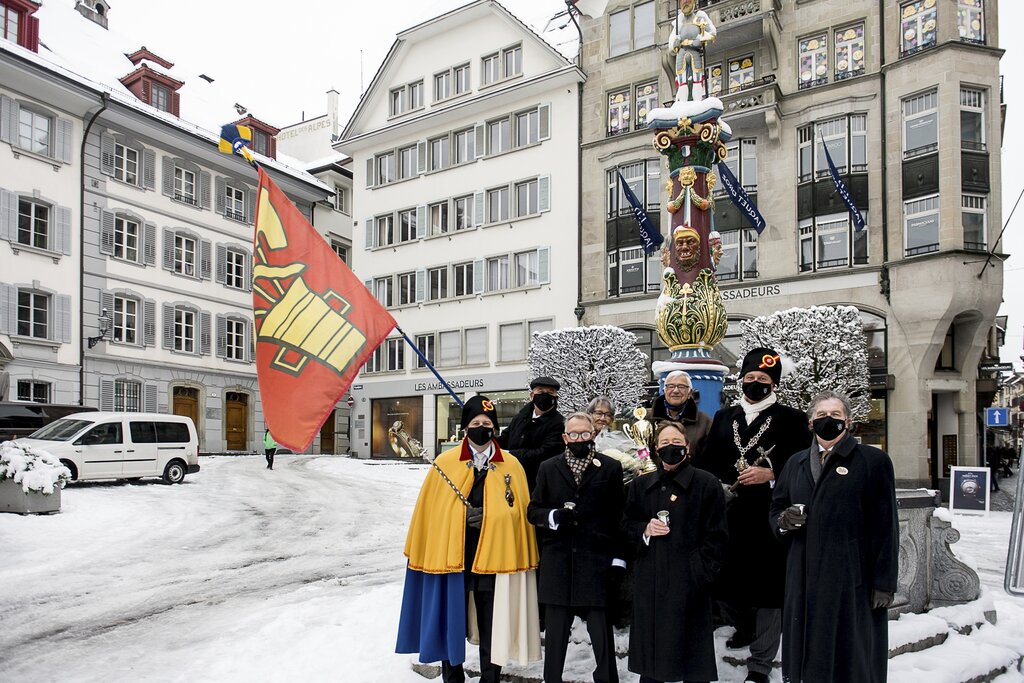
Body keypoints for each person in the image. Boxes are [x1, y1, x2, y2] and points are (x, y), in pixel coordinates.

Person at [396, 395, 541, 683]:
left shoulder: (511, 465)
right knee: (451, 621)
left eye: (487, 423)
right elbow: (432, 514)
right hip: (454, 558)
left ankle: (491, 677)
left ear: (495, 429)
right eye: (475, 423)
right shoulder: (445, 463)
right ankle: (453, 678)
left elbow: (520, 515)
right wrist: (457, 519)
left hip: (495, 560)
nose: (481, 428)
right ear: (465, 429)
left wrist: (491, 516)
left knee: (492, 624)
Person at [693, 347, 812, 683]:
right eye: (750, 379)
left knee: (768, 589)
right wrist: (710, 483)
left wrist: (770, 473)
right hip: (729, 515)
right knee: (726, 582)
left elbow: (801, 461)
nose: (755, 384)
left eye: (762, 379)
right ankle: (744, 628)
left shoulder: (790, 419)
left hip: (768, 518)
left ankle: (760, 664)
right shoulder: (723, 417)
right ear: (740, 381)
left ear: (773, 384)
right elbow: (708, 460)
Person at [770, 390, 898, 683]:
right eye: (821, 415)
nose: (829, 420)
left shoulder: (873, 461)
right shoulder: (795, 463)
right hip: (801, 572)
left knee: (850, 654)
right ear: (811, 422)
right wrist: (783, 520)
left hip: (851, 575)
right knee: (805, 651)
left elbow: (886, 525)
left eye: (836, 416)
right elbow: (777, 507)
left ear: (849, 422)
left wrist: (884, 583)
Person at [623, 421, 728, 683]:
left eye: (677, 444)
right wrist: (644, 530)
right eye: (665, 444)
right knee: (653, 661)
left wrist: (700, 572)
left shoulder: (706, 483)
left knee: (692, 660)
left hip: (690, 584)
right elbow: (625, 526)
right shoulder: (640, 485)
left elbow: (717, 536)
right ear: (656, 449)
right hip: (651, 583)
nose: (672, 448)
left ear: (688, 447)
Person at [528, 412, 626, 683]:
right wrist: (553, 517)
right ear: (564, 437)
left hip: (596, 562)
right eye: (574, 434)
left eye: (585, 434)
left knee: (601, 635)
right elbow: (533, 510)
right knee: (556, 637)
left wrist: (618, 558)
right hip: (558, 564)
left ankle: (606, 679)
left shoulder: (610, 467)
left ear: (593, 435)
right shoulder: (548, 467)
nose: (579, 439)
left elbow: (620, 515)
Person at [498, 376, 566, 490]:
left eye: (550, 392)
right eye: (541, 391)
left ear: (556, 398)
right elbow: (504, 438)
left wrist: (509, 454)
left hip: (539, 484)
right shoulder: (520, 417)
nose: (545, 395)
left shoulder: (559, 423)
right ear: (532, 395)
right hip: (511, 479)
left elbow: (544, 453)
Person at [651, 370, 712, 458]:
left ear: (690, 393)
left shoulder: (704, 422)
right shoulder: (648, 419)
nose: (675, 390)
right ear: (664, 391)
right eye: (670, 386)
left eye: (681, 386)